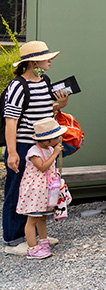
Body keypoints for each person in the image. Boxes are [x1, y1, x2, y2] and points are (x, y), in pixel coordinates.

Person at [3, 40, 69, 255]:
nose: (50, 60)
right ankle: (13, 239)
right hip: (23, 147)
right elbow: (10, 121)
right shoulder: (17, 86)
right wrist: (12, 153)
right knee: (17, 191)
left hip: (43, 145)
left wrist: (61, 106)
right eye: (46, 57)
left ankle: (35, 236)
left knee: (38, 191)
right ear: (33, 62)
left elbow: (44, 112)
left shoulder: (44, 81)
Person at [15, 118, 67, 259]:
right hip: (34, 190)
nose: (59, 139)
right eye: (56, 137)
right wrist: (55, 153)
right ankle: (32, 248)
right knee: (32, 218)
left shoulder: (50, 148)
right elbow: (42, 166)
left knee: (42, 216)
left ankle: (43, 240)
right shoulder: (34, 152)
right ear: (47, 140)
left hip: (45, 189)